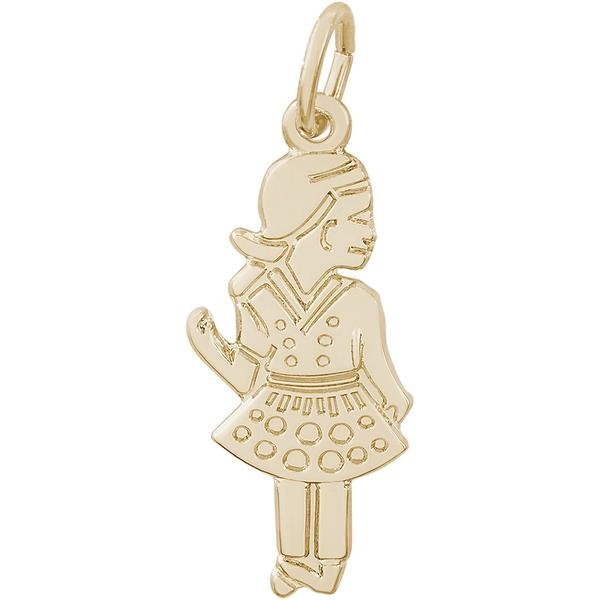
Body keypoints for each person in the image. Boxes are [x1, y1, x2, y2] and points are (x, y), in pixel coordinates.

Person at [188, 149, 412, 596]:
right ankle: (293, 559)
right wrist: (212, 350)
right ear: (319, 225)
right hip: (281, 407)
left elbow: (378, 369)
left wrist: (394, 399)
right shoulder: (258, 293)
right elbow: (252, 377)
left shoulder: (360, 302)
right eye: (360, 219)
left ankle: (327, 565)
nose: (372, 234)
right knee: (290, 476)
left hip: (343, 410)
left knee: (333, 480)